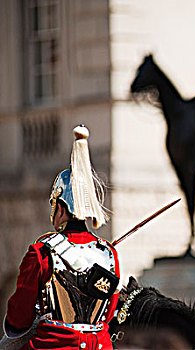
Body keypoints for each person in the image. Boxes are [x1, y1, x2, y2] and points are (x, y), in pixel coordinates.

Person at [1, 125, 120, 350]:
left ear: (61, 208)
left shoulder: (41, 252)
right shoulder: (108, 253)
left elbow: (18, 318)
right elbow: (108, 312)